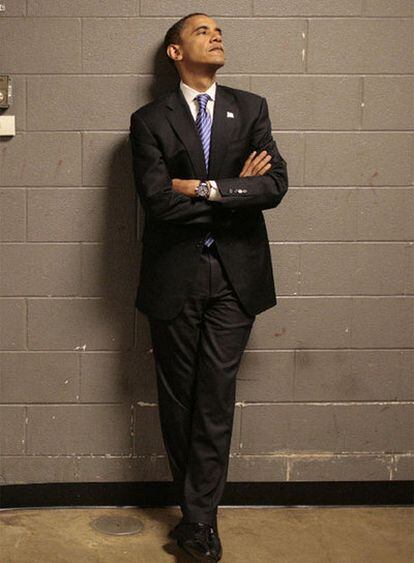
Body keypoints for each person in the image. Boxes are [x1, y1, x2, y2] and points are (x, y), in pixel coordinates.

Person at [130, 12, 288, 561]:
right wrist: (231, 195)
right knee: (179, 401)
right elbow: (157, 201)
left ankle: (199, 522)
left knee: (216, 396)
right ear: (175, 52)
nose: (216, 35)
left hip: (235, 279)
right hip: (174, 278)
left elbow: (273, 185)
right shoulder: (149, 120)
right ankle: (195, 510)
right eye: (202, 30)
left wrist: (200, 187)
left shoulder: (250, 108)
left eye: (219, 30)